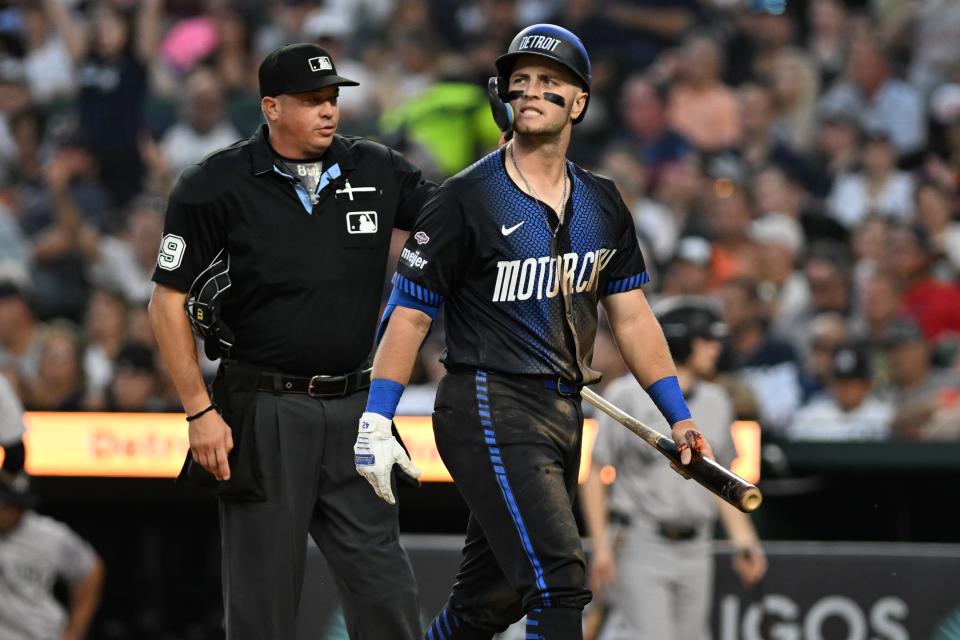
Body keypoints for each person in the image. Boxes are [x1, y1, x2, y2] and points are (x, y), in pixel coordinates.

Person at [352, 24, 716, 639]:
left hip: (562, 408)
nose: (532, 91)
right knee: (559, 579)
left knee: (488, 603)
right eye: (519, 82)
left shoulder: (603, 200)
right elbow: (409, 312)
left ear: (580, 103)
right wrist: (376, 416)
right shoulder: (464, 197)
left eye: (550, 82)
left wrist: (677, 415)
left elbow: (631, 316)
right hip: (487, 401)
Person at [148, 43, 434, 640]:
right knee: (264, 607)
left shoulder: (377, 168)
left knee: (389, 594)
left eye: (332, 98)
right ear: (271, 107)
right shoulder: (213, 183)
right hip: (265, 407)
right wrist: (199, 411)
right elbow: (166, 302)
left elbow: (455, 220)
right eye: (311, 101)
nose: (328, 111)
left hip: (358, 408)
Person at [580, 298, 767, 640]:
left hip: (697, 545)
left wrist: (745, 542)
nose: (715, 349)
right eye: (706, 340)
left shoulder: (718, 400)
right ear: (682, 341)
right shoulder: (627, 394)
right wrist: (601, 545)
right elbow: (594, 471)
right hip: (640, 540)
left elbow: (722, 481)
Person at [0, 473, 105, 640]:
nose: (10, 511)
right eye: (6, 504)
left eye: (17, 505)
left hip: (41, 633)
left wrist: (75, 632)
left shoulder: (49, 535)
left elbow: (91, 571)